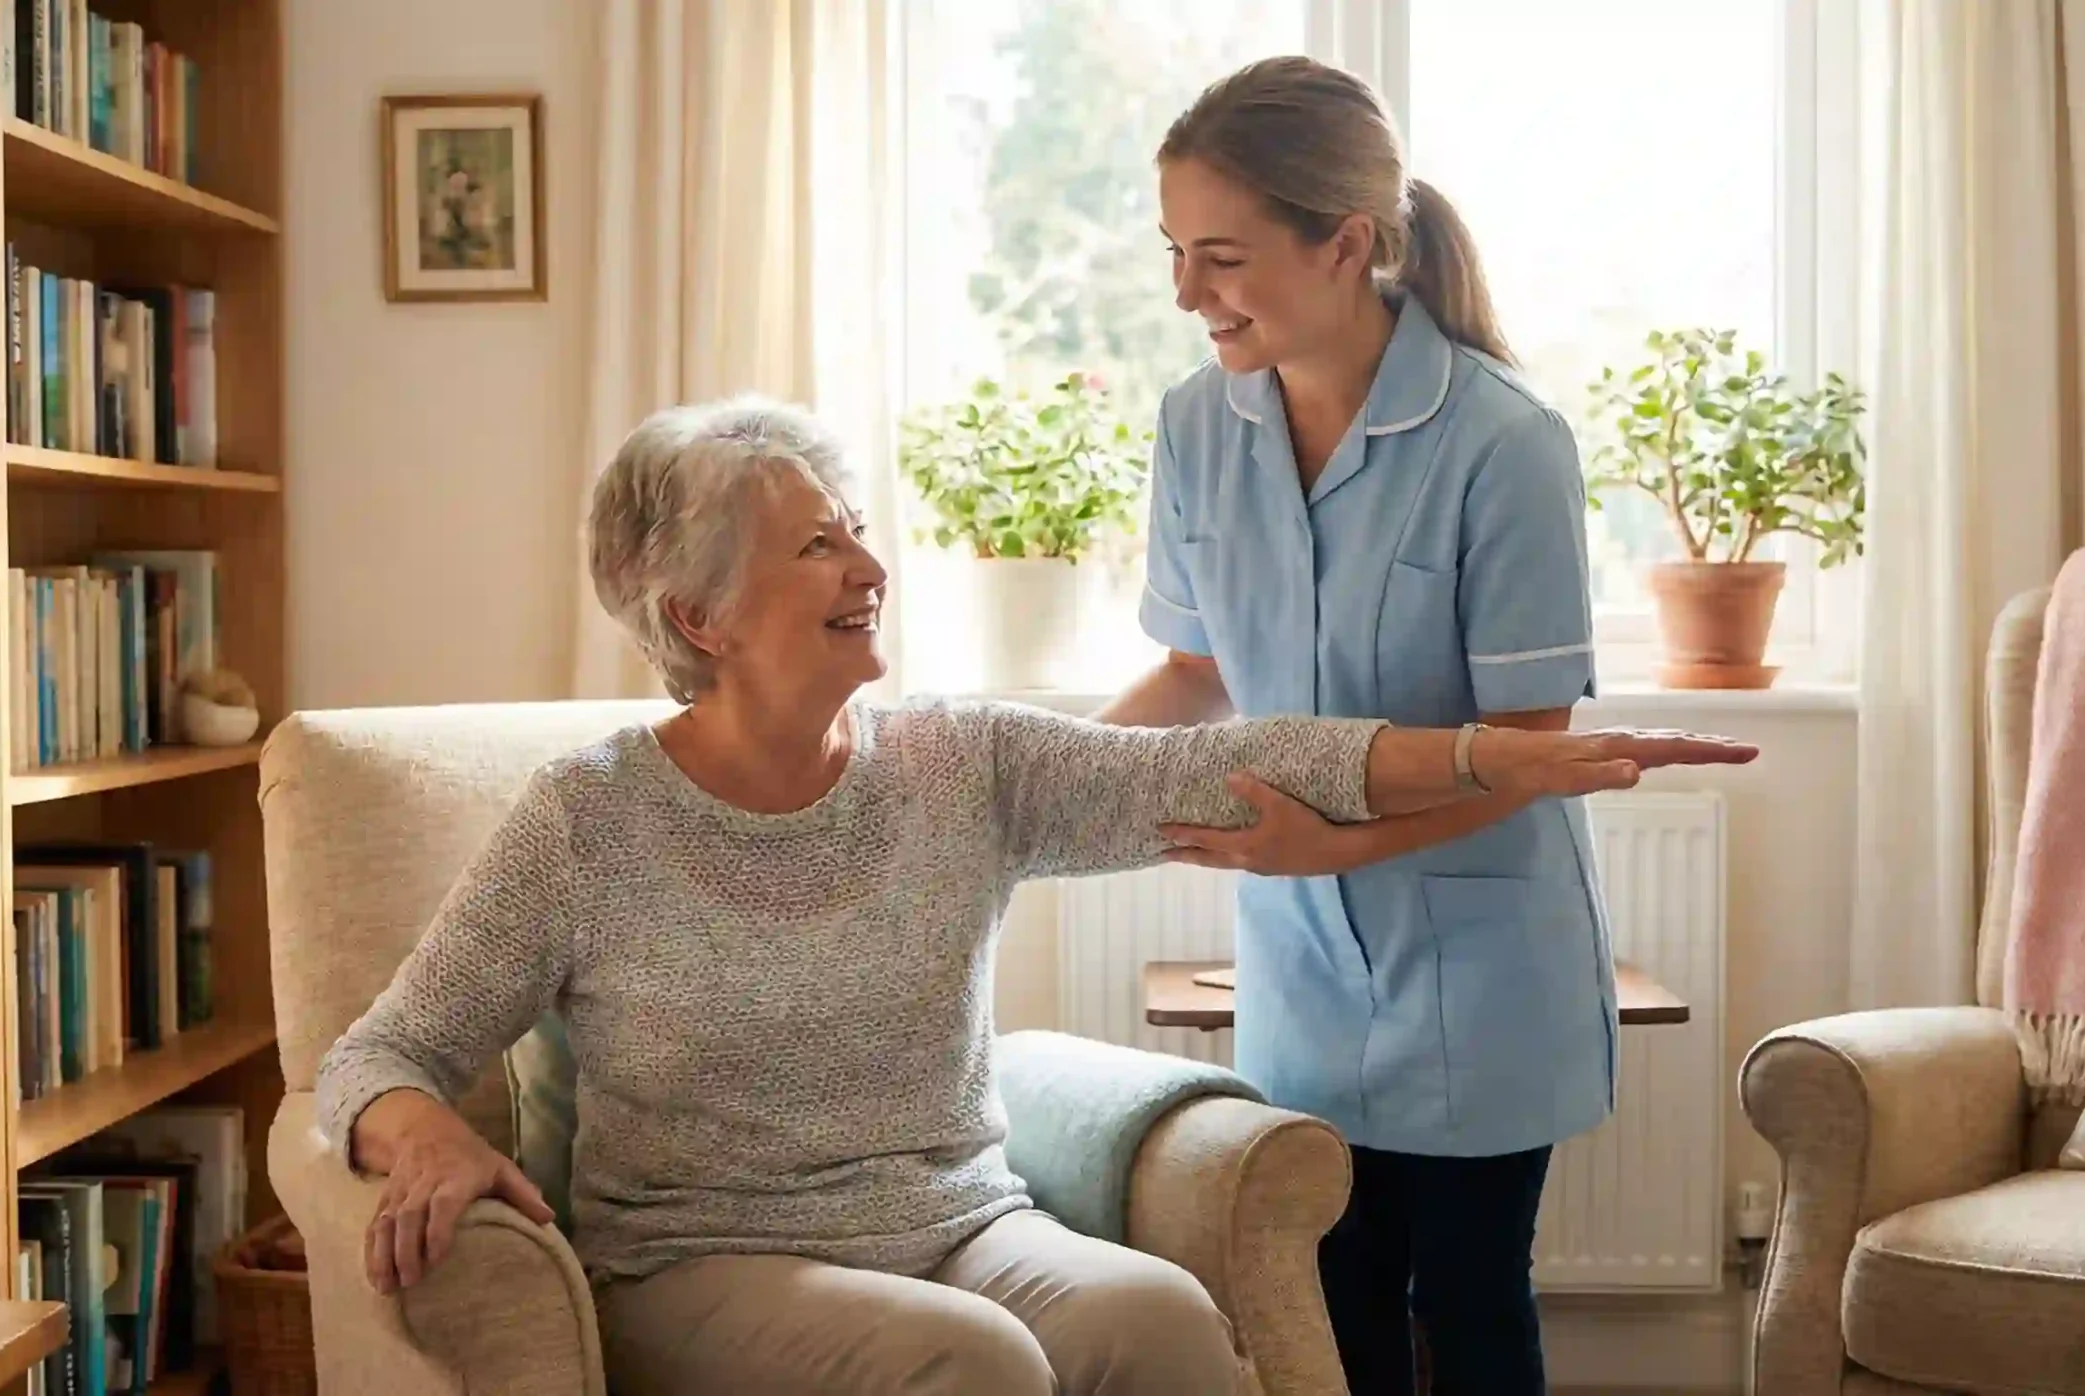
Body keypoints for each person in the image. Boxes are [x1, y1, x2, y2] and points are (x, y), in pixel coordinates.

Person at [316, 398, 1756, 1396]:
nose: (871, 567)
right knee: (974, 1369)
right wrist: (425, 1134)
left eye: (856, 530)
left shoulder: (958, 762)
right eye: (818, 545)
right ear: (697, 616)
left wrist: (1480, 753)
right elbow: (382, 1052)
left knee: (1160, 1323)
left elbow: (1224, 756)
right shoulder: (590, 820)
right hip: (705, 1265)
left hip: (959, 1220)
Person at [1096, 54, 1622, 1395]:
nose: (1183, 293)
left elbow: (1530, 744)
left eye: (1219, 255)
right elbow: (1196, 673)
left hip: (1480, 966)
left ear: (1346, 243)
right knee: (1328, 1304)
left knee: (1469, 1303)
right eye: (1171, 250)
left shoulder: (1504, 443)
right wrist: (1043, 785)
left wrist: (1325, 849)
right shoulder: (1193, 429)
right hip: (1300, 971)